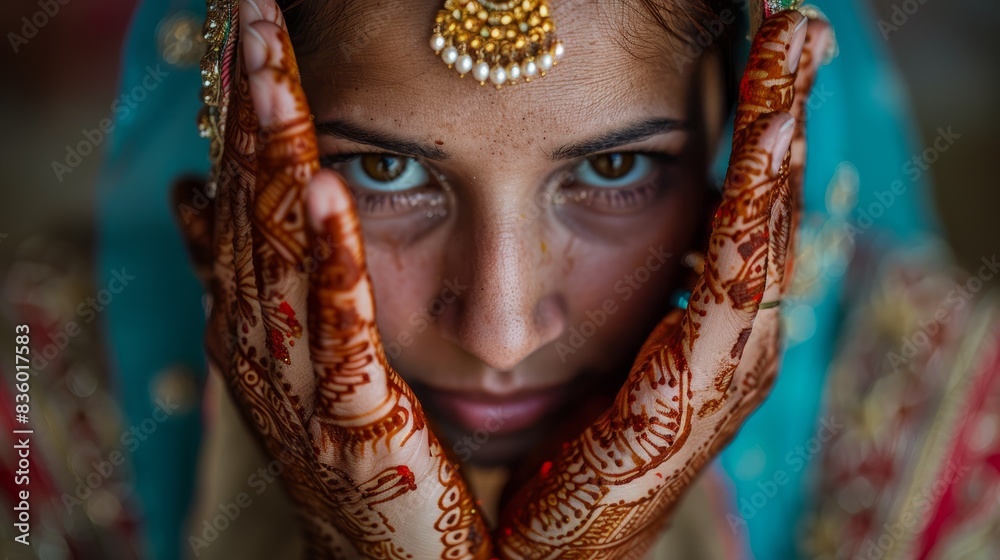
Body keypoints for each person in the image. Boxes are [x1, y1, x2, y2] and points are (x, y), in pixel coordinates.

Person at [91, 0, 1000, 558]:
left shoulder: (939, 413)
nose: (500, 330)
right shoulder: (40, 396)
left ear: (746, 153)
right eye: (386, 173)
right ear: (241, 151)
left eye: (611, 173)